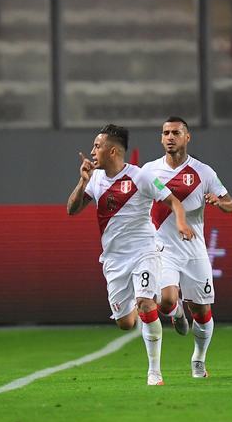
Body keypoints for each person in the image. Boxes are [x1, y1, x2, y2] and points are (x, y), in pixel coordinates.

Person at [67, 124, 195, 386]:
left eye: (97, 146)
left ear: (112, 151)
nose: (92, 151)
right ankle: (174, 308)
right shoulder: (96, 179)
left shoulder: (141, 176)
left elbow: (172, 200)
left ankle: (154, 372)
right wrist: (83, 182)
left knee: (145, 304)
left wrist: (181, 223)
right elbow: (72, 209)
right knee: (125, 322)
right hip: (114, 260)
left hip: (144, 250)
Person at [143, 117, 232, 379]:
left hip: (194, 250)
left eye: (176, 132)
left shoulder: (203, 172)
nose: (170, 137)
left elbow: (231, 205)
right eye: (165, 133)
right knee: (166, 301)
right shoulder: (149, 171)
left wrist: (218, 202)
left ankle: (198, 359)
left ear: (187, 137)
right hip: (162, 249)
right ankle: (176, 312)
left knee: (202, 311)